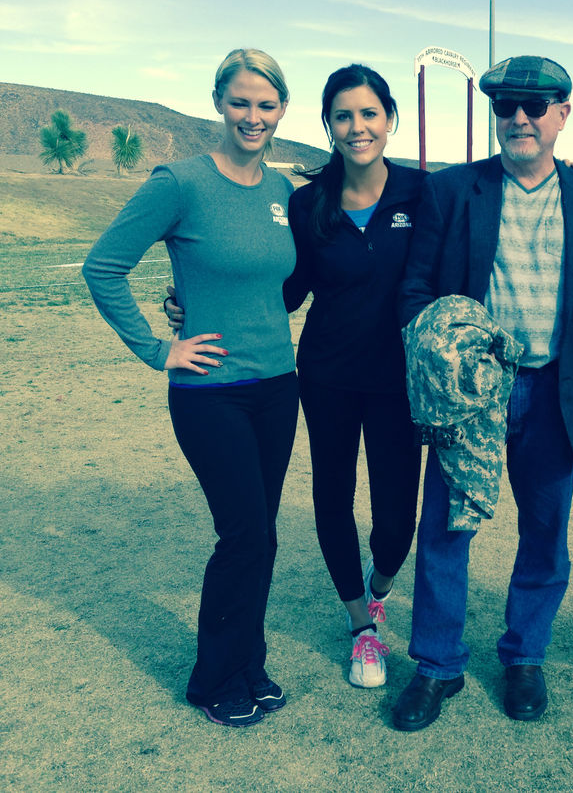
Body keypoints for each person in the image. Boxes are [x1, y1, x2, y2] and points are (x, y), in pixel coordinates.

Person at [166, 65, 427, 690]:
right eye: (343, 116)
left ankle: (379, 587)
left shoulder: (424, 193)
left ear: (390, 119)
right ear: (328, 125)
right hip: (327, 377)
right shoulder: (307, 203)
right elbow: (283, 291)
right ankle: (361, 626)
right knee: (332, 496)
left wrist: (567, 171)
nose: (357, 127)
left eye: (369, 113)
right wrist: (196, 303)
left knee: (397, 519)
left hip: (399, 381)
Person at [392, 55, 573, 731]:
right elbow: (416, 288)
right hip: (471, 397)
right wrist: (440, 353)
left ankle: (525, 656)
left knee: (546, 532)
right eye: (505, 106)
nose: (520, 118)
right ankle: (437, 665)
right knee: (446, 528)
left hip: (558, 391)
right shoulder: (451, 191)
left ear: (563, 113)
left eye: (536, 105)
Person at [83, 49, 298, 727]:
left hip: (278, 386)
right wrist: (159, 347)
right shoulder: (179, 183)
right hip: (210, 392)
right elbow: (102, 267)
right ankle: (214, 680)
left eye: (266, 105)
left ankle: (249, 662)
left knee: (262, 534)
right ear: (218, 104)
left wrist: (190, 296)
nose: (253, 116)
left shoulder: (282, 191)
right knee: (243, 534)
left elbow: (274, 283)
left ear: (281, 110)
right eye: (241, 102)